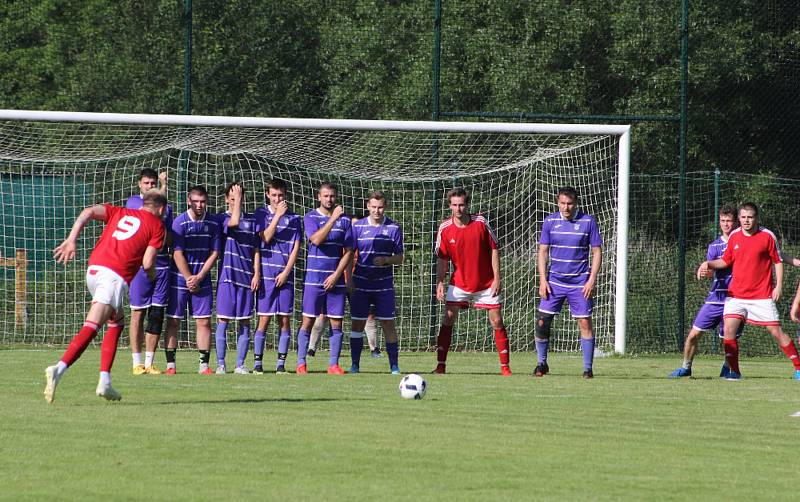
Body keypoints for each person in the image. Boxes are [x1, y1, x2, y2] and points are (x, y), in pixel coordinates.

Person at [44, 190, 167, 403]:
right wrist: (154, 276)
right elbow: (148, 263)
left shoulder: (120, 211)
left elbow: (88, 211)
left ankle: (105, 381)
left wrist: (71, 239)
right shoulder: (157, 226)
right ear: (162, 209)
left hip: (94, 270)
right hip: (113, 277)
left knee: (116, 323)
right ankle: (59, 369)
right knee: (91, 326)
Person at [699, 202, 800, 380]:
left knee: (776, 332)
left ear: (756, 218)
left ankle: (799, 368)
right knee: (729, 330)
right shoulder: (734, 236)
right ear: (739, 219)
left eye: (750, 217)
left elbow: (777, 260)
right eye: (743, 217)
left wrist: (778, 286)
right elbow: (725, 261)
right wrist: (708, 264)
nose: (746, 220)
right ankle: (735, 372)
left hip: (761, 296)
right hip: (735, 295)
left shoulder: (767, 236)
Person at [433, 187, 511, 376]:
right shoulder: (445, 228)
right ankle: (441, 366)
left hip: (486, 283)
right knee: (448, 318)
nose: (458, 209)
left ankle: (505, 368)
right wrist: (440, 282)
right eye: (454, 205)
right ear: (449, 206)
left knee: (497, 321)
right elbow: (442, 259)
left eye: (461, 205)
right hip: (459, 282)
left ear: (467, 205)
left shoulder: (481, 223)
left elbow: (494, 249)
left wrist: (497, 278)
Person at [536, 186, 602, 379]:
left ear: (576, 203)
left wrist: (591, 280)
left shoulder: (588, 222)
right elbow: (543, 251)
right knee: (542, 322)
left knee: (584, 323)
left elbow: (597, 251)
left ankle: (588, 368)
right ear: (558, 202)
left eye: (570, 203)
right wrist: (542, 280)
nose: (566, 207)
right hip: (554, 282)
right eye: (563, 203)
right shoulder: (550, 222)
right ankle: (541, 364)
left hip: (580, 282)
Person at [669, 205, 742, 378]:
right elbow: (711, 271)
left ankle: (728, 367)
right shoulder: (714, 246)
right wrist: (705, 270)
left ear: (735, 222)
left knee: (729, 339)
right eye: (722, 221)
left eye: (729, 221)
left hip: (735, 298)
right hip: (715, 298)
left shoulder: (742, 242)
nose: (725, 224)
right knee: (694, 334)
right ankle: (686, 367)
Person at [296, 182, 354, 374]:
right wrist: (332, 219)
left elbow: (349, 251)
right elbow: (316, 239)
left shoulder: (345, 221)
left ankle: (333, 365)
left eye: (332, 196)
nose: (329, 199)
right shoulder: (310, 217)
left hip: (335, 279)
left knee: (337, 322)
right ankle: (301, 364)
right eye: (326, 196)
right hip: (314, 279)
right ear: (318, 197)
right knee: (308, 321)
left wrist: (337, 275)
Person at [164, 185, 221, 375]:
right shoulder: (180, 222)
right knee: (173, 321)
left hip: (202, 278)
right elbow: (177, 253)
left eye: (202, 201)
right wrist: (189, 278)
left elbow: (215, 252)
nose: (199, 205)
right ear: (189, 200)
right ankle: (170, 366)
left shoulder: (213, 223)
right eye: (195, 201)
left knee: (204, 322)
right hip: (180, 278)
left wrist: (200, 276)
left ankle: (204, 365)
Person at [347, 191, 404, 374]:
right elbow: (349, 255)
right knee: (357, 323)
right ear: (368, 206)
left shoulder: (394, 228)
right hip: (361, 283)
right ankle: (355, 365)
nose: (377, 210)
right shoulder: (357, 227)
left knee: (388, 323)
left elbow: (400, 257)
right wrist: (348, 278)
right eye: (373, 207)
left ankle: (394, 366)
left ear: (385, 207)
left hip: (384, 284)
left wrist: (387, 260)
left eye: (380, 207)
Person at [126, 168, 173, 375]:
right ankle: (136, 363)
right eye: (146, 183)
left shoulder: (167, 208)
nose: (150, 186)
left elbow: (169, 235)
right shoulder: (134, 203)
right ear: (139, 184)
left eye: (153, 183)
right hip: (140, 267)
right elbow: (152, 209)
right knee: (138, 312)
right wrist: (164, 187)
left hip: (162, 265)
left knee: (157, 313)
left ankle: (149, 362)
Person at [253, 178, 302, 374]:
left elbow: (296, 247)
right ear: (268, 195)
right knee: (264, 319)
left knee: (284, 319)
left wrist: (287, 272)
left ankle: (281, 364)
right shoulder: (261, 214)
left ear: (286, 195)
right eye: (273, 195)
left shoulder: (295, 218)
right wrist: (277, 216)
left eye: (280, 195)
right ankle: (258, 362)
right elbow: (264, 237)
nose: (277, 198)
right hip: (265, 274)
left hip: (285, 275)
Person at [213, 183, 261, 374]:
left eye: (238, 197)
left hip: (246, 278)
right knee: (223, 321)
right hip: (228, 277)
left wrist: (256, 273)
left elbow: (256, 248)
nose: (235, 201)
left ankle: (240, 364)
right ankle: (221, 364)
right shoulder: (221, 218)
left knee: (245, 322)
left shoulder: (252, 221)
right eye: (232, 198)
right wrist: (237, 202)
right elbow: (233, 222)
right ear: (226, 199)